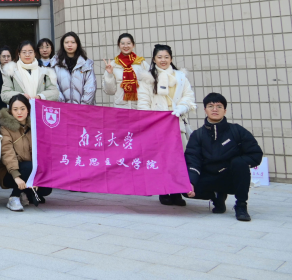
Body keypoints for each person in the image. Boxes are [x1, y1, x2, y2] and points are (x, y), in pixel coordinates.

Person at [185, 93, 263, 221]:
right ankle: (217, 197)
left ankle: (241, 206)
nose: (215, 109)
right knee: (185, 188)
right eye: (210, 106)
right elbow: (193, 160)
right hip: (209, 175)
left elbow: (256, 154)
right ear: (205, 110)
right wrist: (191, 182)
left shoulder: (237, 130)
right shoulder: (197, 135)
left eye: (219, 106)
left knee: (240, 163)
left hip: (230, 177)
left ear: (225, 110)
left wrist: (239, 163)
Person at [138, 44, 196, 206]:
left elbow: (188, 96)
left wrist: (182, 107)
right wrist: (150, 121)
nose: (163, 60)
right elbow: (143, 102)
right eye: (159, 57)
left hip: (177, 123)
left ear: (171, 59)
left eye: (166, 57)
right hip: (158, 126)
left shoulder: (181, 77)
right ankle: (163, 191)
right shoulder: (148, 79)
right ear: (154, 59)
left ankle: (177, 192)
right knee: (162, 159)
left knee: (179, 159)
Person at [0, 94, 52, 211]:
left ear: (28, 110)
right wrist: (16, 176)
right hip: (10, 172)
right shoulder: (5, 128)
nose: (19, 112)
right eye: (15, 109)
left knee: (46, 190)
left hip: (31, 169)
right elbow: (7, 153)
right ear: (10, 111)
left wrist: (37, 177)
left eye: (22, 109)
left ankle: (26, 192)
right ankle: (14, 197)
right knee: (28, 167)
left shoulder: (35, 126)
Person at [103, 33, 151, 109]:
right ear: (119, 45)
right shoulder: (113, 65)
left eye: (128, 43)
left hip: (139, 107)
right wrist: (110, 75)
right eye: (122, 43)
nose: (126, 46)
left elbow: (150, 86)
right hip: (120, 108)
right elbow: (109, 91)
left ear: (133, 45)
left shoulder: (141, 63)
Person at [50, 32, 96, 105]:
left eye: (73, 42)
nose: (69, 45)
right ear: (62, 44)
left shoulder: (86, 64)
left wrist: (82, 107)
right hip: (62, 108)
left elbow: (90, 87)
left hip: (83, 109)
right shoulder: (55, 63)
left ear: (77, 44)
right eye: (66, 42)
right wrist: (63, 105)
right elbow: (53, 85)